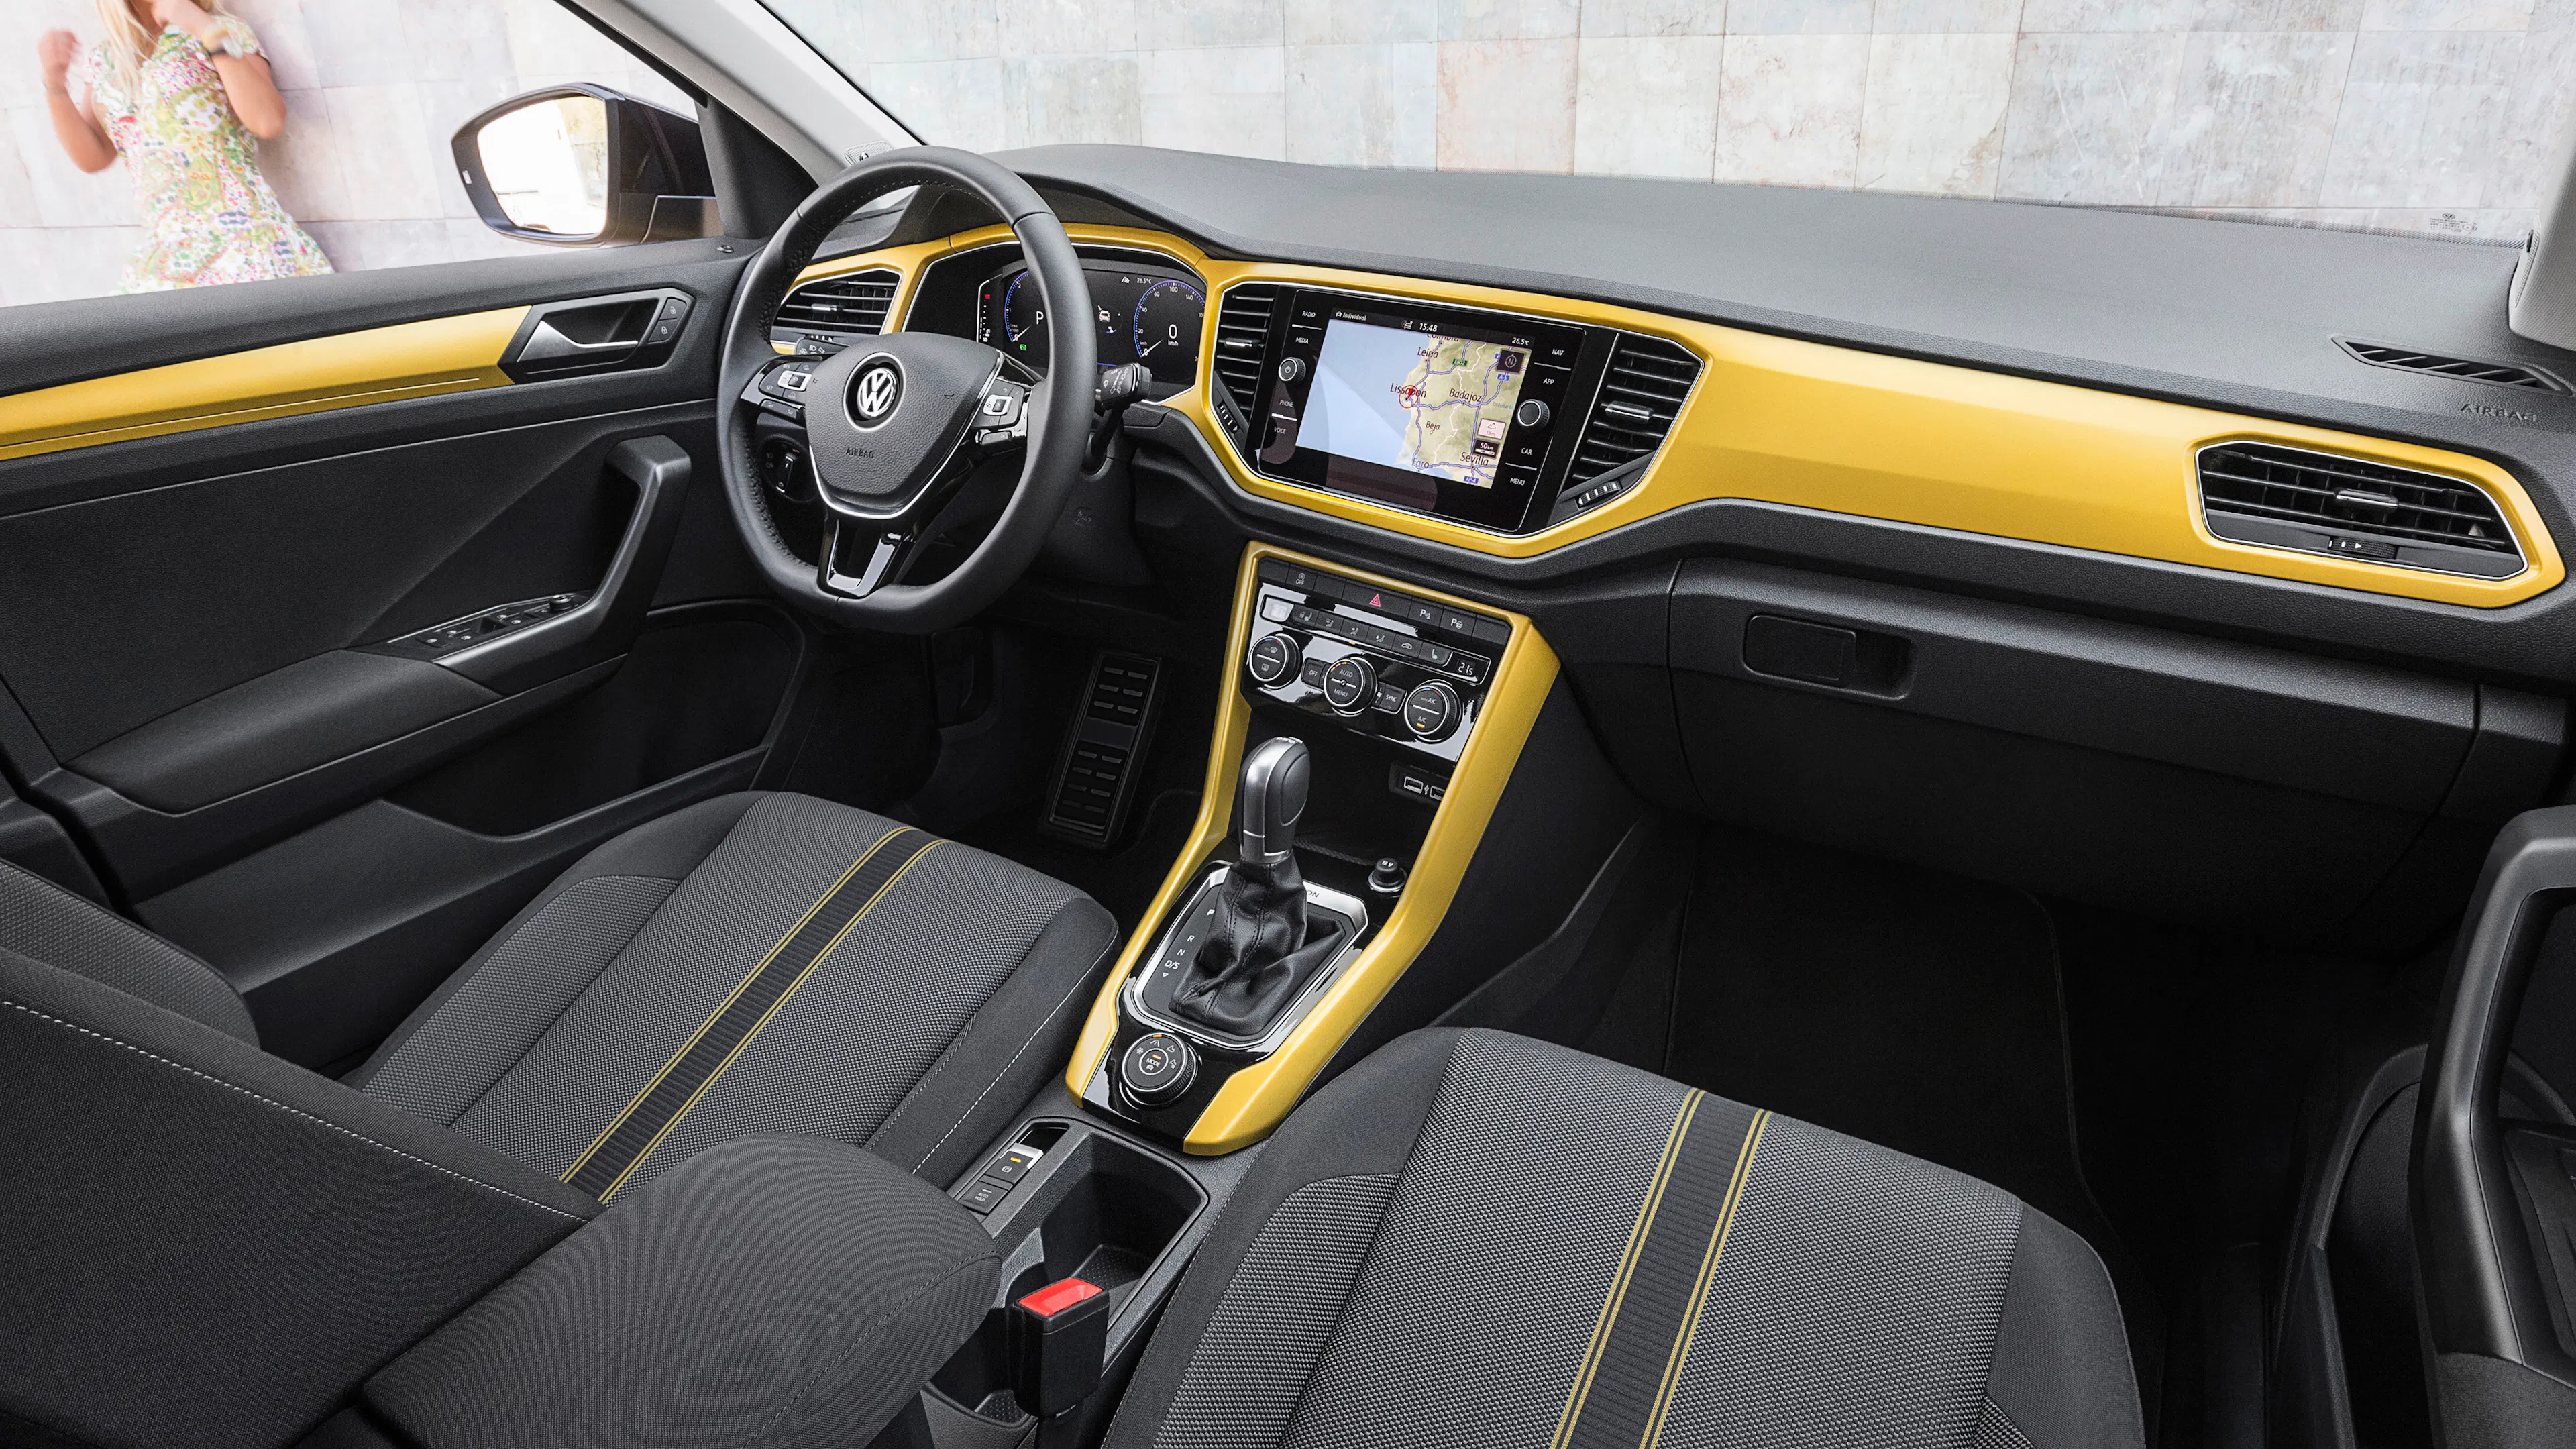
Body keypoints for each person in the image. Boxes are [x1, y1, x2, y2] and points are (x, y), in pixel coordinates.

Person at [36, 0, 331, 292]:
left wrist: (204, 28)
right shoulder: (106, 58)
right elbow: (94, 158)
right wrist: (55, 85)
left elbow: (268, 122)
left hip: (243, 245)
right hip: (165, 260)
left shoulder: (221, 29)